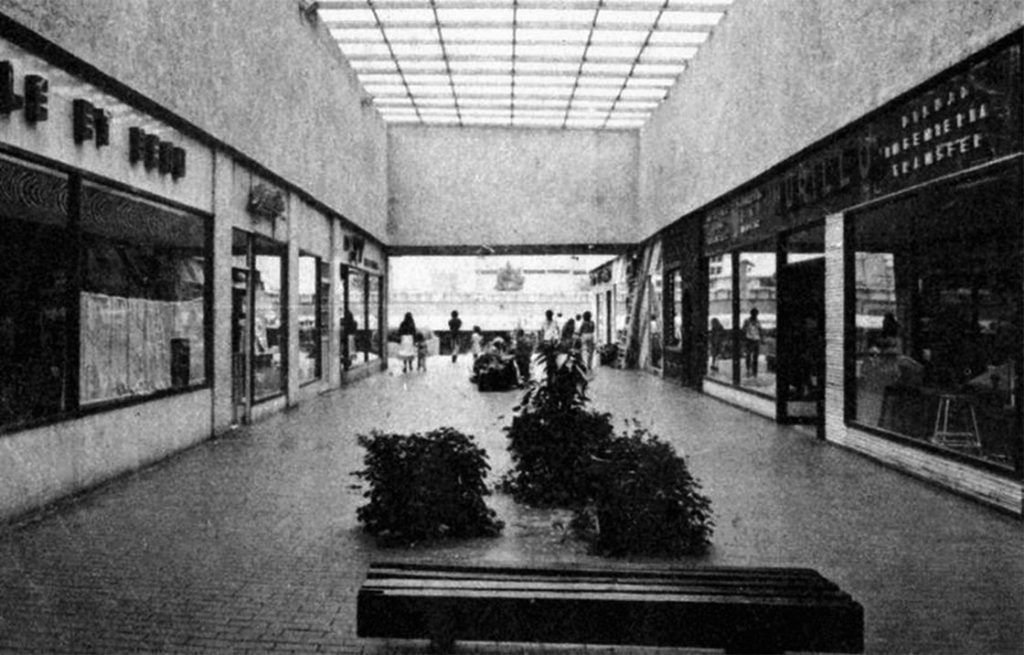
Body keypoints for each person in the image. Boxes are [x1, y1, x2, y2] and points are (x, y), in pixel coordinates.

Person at [741, 308, 762, 377]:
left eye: (756, 314)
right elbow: (743, 329)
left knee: (755, 356)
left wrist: (760, 338)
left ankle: (754, 371)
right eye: (754, 314)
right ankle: (748, 370)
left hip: (756, 340)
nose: (755, 315)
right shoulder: (747, 321)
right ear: (751, 314)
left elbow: (760, 330)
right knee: (748, 356)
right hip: (749, 339)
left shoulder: (758, 321)